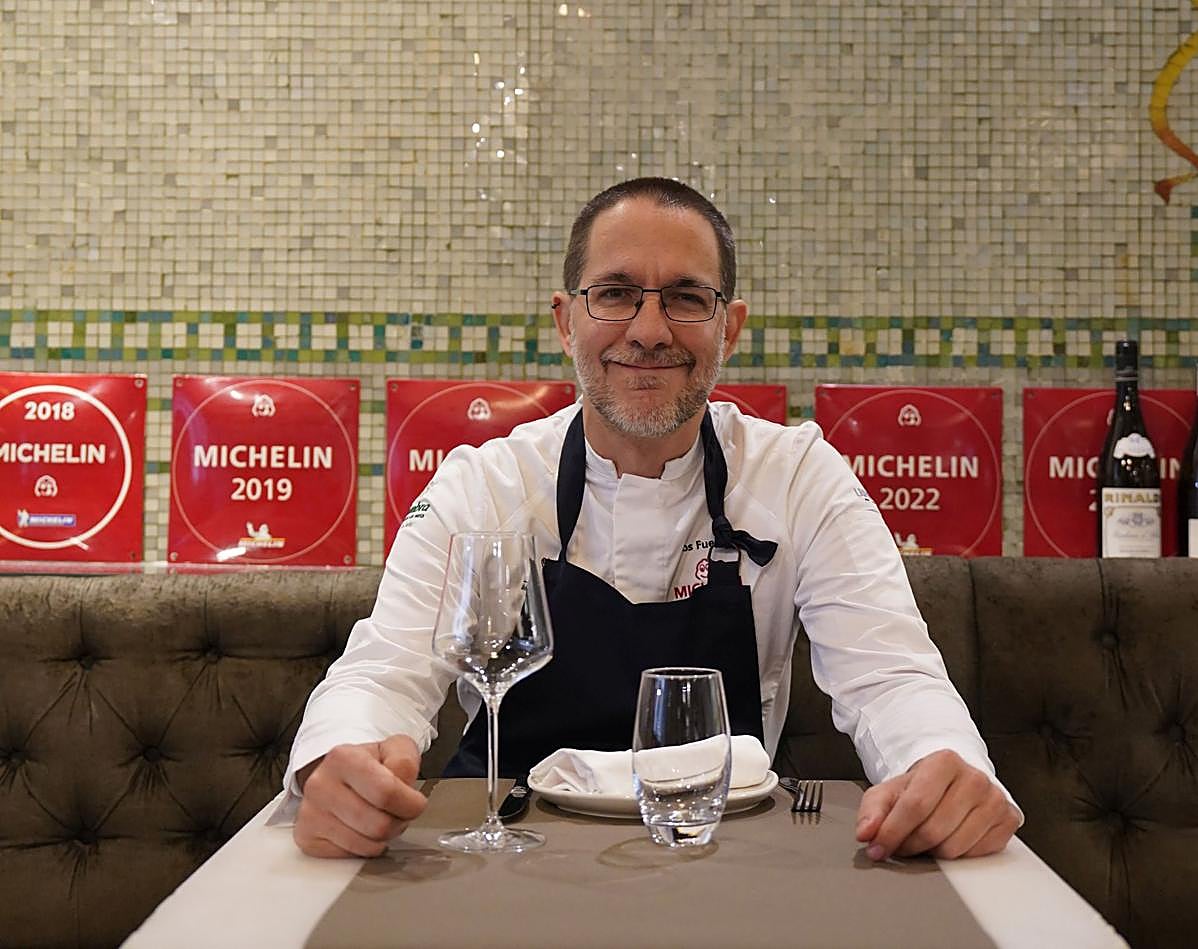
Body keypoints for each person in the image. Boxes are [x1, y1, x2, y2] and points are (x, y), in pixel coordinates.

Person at [282, 177, 1022, 862]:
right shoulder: (485, 483)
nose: (648, 328)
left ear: (729, 328)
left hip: (720, 862)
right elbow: (383, 671)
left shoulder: (798, 475)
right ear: (565, 321)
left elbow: (891, 675)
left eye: (686, 298)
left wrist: (939, 763)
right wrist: (341, 758)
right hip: (503, 861)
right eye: (614, 293)